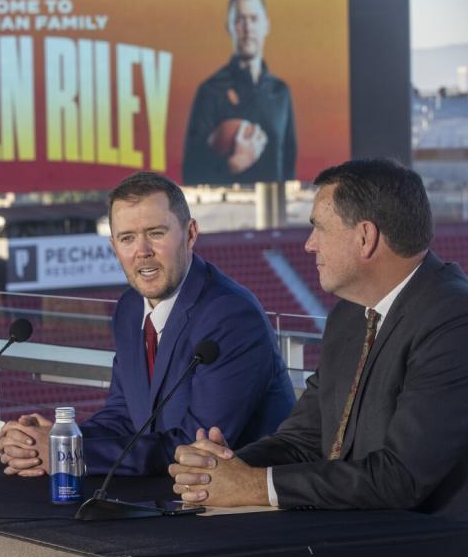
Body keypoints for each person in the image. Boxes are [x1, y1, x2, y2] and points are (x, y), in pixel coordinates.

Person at [169, 159, 468, 520]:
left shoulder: (453, 318)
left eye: (319, 228)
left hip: (431, 553)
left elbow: (400, 477)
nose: (309, 245)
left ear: (365, 237)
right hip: (353, 538)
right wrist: (220, 470)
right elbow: (304, 441)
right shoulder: (348, 316)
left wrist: (253, 485)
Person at [0, 172, 294, 477]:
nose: (142, 251)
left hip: (244, 508)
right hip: (167, 494)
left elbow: (197, 445)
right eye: (127, 238)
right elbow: (123, 417)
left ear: (190, 234)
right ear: (114, 246)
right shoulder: (129, 308)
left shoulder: (230, 315)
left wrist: (70, 454)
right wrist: (58, 439)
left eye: (156, 233)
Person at [182, 0, 296, 186]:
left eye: (253, 19)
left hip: (272, 211)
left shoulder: (280, 92)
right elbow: (191, 171)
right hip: (225, 211)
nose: (247, 27)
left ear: (266, 25)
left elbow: (288, 164)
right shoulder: (210, 91)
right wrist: (232, 166)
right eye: (240, 19)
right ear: (230, 27)